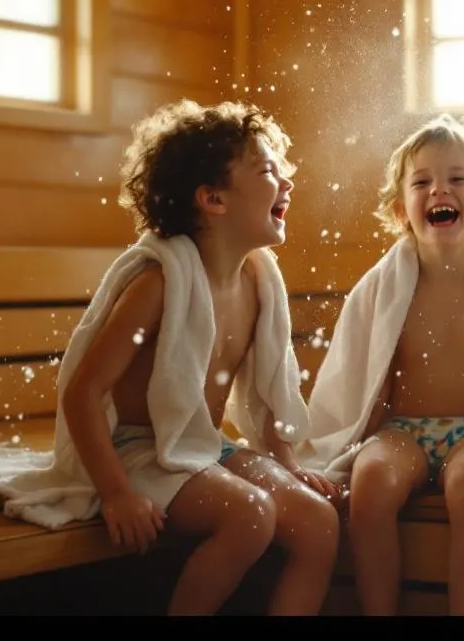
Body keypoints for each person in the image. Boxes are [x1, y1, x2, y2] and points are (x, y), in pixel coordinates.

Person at [57, 99, 339, 615]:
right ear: (213, 199)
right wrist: (117, 493)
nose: (288, 184)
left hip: (203, 448)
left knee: (318, 523)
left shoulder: (258, 278)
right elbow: (83, 392)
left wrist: (284, 460)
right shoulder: (160, 283)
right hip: (139, 451)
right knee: (250, 515)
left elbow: (271, 381)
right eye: (269, 171)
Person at [294, 114, 464, 615]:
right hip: (402, 430)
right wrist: (350, 441)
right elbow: (357, 370)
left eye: (458, 179)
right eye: (422, 182)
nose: (439, 190)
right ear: (401, 210)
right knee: (371, 482)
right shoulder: (381, 285)